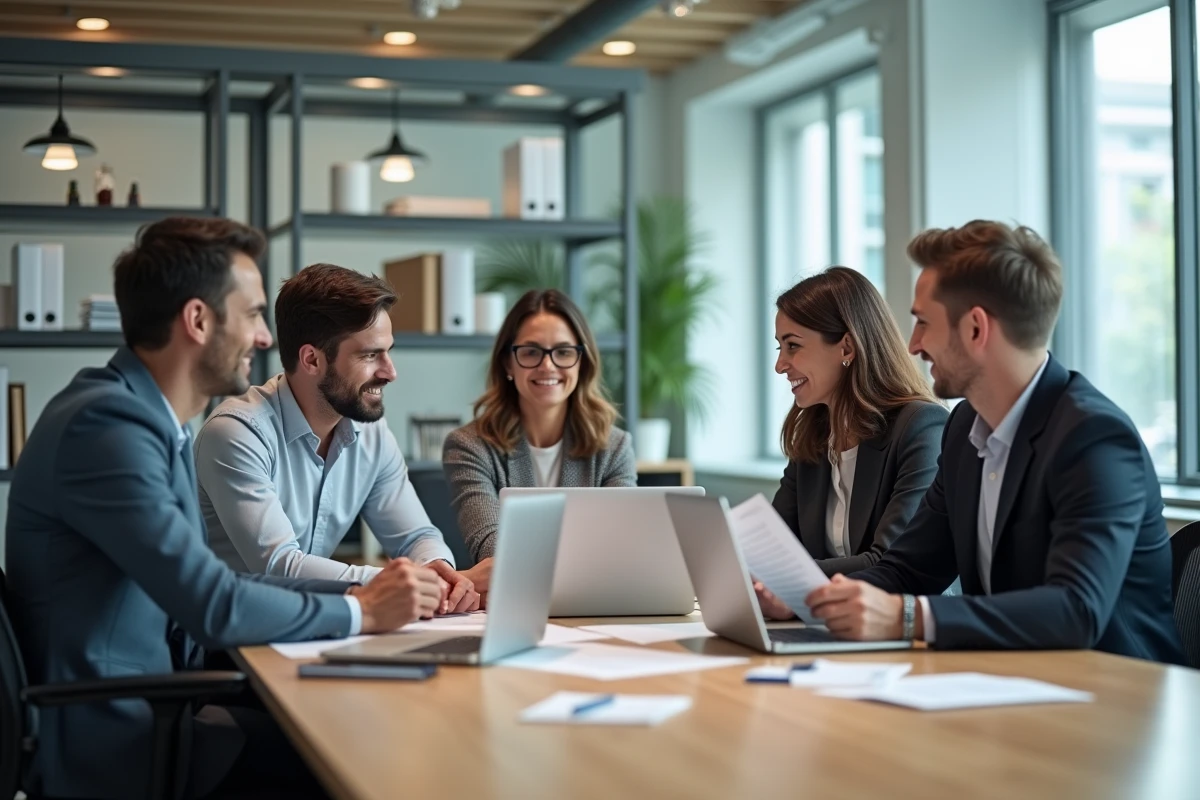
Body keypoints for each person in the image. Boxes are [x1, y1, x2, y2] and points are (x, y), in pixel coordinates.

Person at [4, 218, 444, 799]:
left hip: (159, 699)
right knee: (352, 755)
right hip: (116, 733)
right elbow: (210, 600)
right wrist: (364, 610)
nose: (265, 339)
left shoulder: (140, 418)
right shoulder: (106, 426)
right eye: (254, 314)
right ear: (198, 320)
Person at [804, 220, 1185, 664]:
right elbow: (909, 568)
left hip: (1112, 699)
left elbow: (1076, 610)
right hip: (1010, 680)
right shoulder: (965, 428)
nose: (913, 345)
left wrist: (909, 618)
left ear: (976, 329)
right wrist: (803, 597)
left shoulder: (1094, 439)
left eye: (923, 323)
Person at [195, 262, 479, 613]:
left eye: (388, 351)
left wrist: (437, 568)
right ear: (312, 360)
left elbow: (416, 537)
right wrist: (403, 583)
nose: (390, 372)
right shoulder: (237, 433)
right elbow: (280, 566)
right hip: (234, 639)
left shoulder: (372, 433)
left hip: (320, 624)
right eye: (370, 355)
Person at [756, 267, 948, 620]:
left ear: (846, 346)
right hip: (829, 631)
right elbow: (774, 548)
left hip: (904, 637)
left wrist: (792, 585)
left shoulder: (921, 427)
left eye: (793, 346)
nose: (780, 365)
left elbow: (889, 562)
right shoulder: (812, 436)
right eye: (780, 347)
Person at [443, 289, 635, 599]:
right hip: (513, 604)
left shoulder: (614, 448)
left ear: (581, 362)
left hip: (595, 606)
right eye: (531, 352)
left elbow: (619, 549)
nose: (547, 366)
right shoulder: (468, 446)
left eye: (563, 351)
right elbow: (492, 549)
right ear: (508, 363)